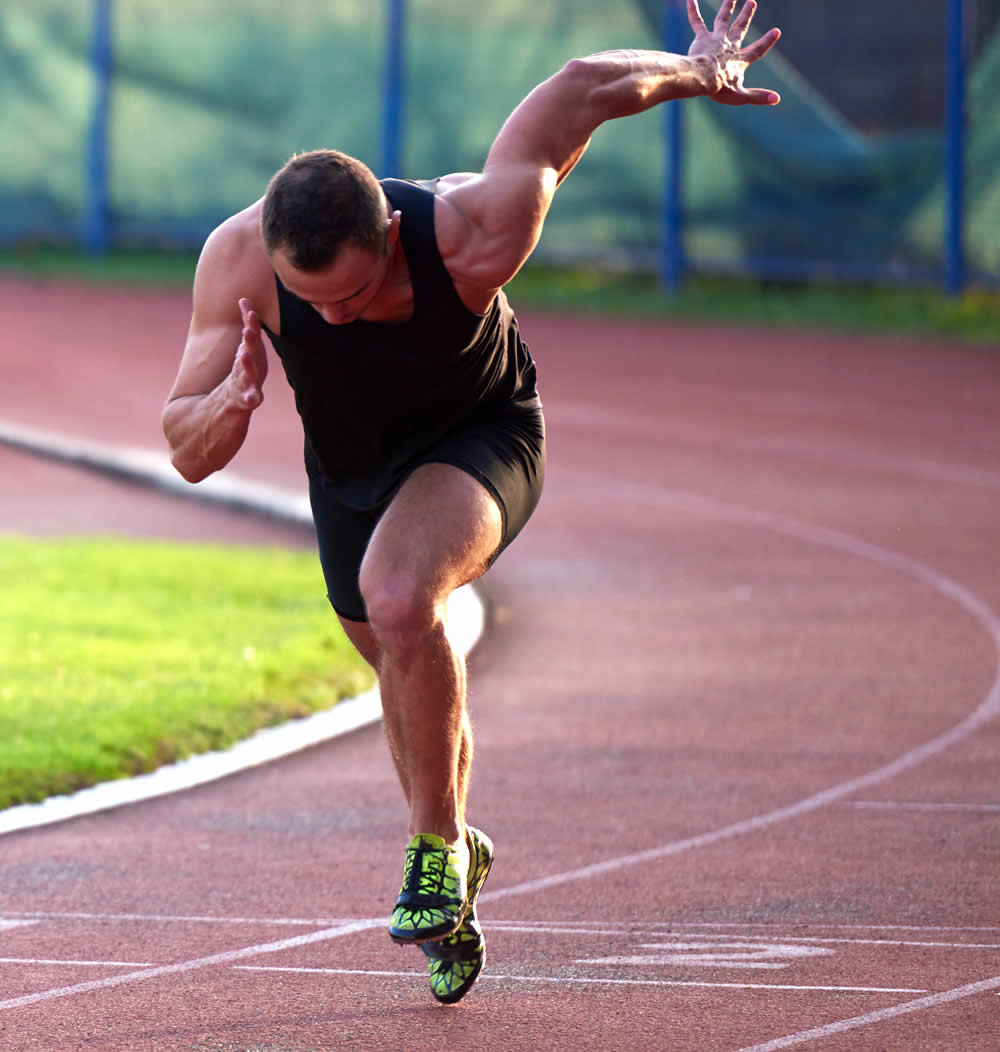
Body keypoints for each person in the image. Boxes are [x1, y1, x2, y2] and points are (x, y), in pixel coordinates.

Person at [162, 0, 781, 1005]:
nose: (329, 318)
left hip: (483, 434)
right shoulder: (237, 262)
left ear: (392, 238)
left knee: (402, 597)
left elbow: (577, 92)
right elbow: (185, 445)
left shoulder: (469, 232)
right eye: (307, 300)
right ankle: (458, 858)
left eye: (352, 298)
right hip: (351, 470)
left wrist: (693, 69)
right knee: (400, 661)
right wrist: (231, 406)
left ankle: (436, 846)